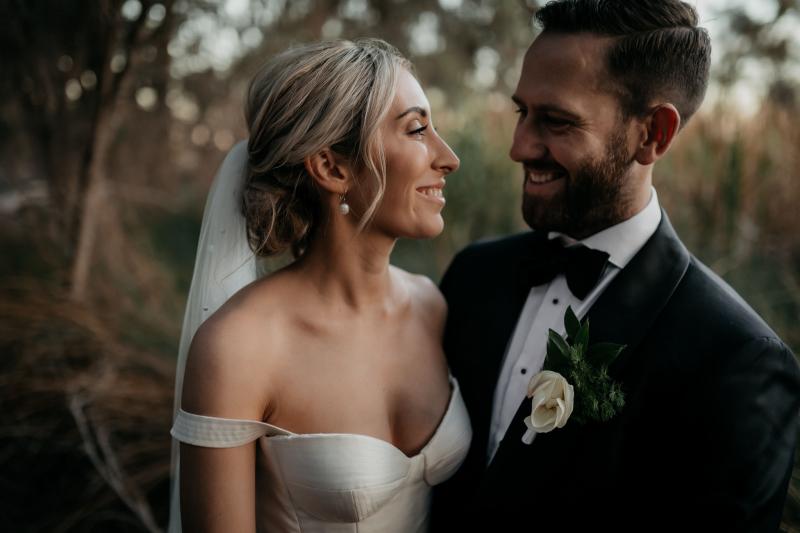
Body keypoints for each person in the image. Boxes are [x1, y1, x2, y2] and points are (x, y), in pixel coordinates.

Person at [431, 1, 800, 531]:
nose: (519, 147)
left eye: (556, 121)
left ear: (654, 134)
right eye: (522, 113)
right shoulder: (474, 276)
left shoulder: (738, 362)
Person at [168, 39, 470, 533]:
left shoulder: (431, 306)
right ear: (333, 168)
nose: (448, 158)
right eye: (417, 129)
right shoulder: (239, 347)